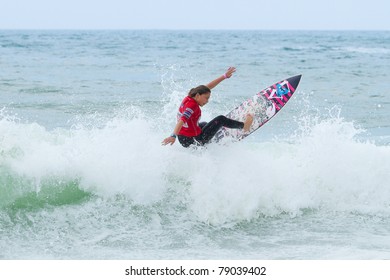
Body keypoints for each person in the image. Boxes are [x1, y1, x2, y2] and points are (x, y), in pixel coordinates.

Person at [162, 67, 253, 148]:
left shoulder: (189, 97)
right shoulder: (192, 106)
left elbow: (207, 87)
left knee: (204, 124)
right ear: (198, 95)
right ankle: (244, 126)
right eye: (206, 98)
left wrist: (224, 76)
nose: (207, 101)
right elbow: (182, 120)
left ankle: (211, 137)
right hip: (194, 141)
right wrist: (172, 136)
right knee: (221, 119)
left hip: (183, 138)